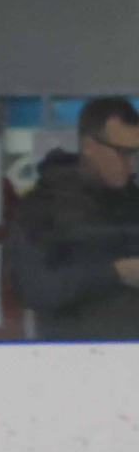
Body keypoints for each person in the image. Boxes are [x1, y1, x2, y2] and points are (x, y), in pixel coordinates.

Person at [8, 96, 139, 339]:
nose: (130, 163)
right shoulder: (41, 209)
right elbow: (32, 287)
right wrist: (116, 272)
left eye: (135, 153)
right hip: (70, 357)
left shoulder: (133, 205)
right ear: (89, 146)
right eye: (122, 152)